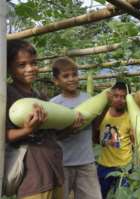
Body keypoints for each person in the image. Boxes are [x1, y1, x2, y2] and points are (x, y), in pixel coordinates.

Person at [6, 39, 64, 199]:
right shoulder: (6, 94)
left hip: (56, 172)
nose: (30, 68)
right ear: (9, 68)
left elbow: (54, 134)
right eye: (22, 65)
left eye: (33, 63)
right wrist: (27, 130)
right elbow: (4, 135)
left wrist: (70, 127)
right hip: (33, 180)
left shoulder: (41, 96)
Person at [50, 57, 102, 199]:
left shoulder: (89, 99)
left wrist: (101, 111)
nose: (72, 79)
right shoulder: (53, 104)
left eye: (74, 74)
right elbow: (52, 136)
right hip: (62, 164)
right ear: (56, 81)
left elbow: (95, 128)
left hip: (86, 162)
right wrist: (70, 129)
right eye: (66, 76)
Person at [94, 81, 133, 199]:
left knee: (123, 196)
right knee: (102, 195)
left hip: (124, 166)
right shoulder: (102, 115)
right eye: (116, 96)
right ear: (111, 96)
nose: (119, 100)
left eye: (123, 97)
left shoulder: (130, 117)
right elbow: (94, 136)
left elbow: (134, 141)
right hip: (104, 165)